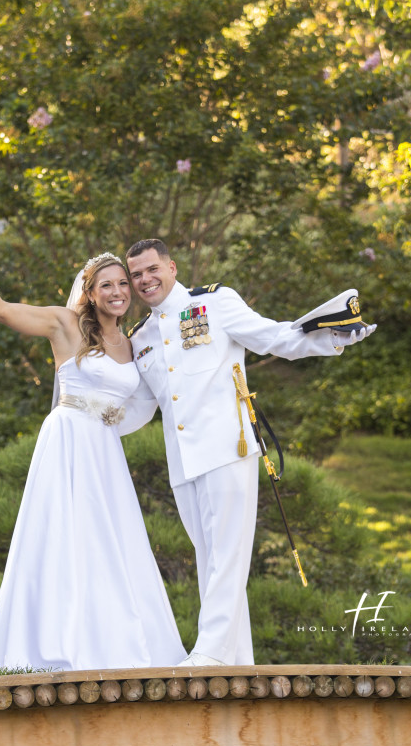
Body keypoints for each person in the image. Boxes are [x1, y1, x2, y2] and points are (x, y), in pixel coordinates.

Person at [0, 226, 186, 673]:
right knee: (62, 540)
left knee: (111, 545)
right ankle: (54, 646)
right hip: (68, 440)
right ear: (89, 293)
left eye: (122, 284)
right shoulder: (65, 325)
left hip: (105, 451)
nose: (117, 291)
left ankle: (116, 646)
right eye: (105, 284)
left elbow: (150, 402)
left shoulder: (133, 344)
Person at [123, 238, 378, 669]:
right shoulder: (141, 337)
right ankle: (236, 660)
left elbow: (274, 337)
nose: (145, 280)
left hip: (228, 448)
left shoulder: (215, 303)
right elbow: (141, 407)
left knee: (227, 556)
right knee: (211, 561)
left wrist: (331, 337)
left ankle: (208, 652)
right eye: (136, 275)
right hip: (183, 463)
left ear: (171, 267)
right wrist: (87, 419)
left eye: (152, 269)